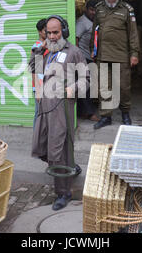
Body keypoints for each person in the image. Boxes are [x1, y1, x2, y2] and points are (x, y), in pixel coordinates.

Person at [31, 15, 89, 211]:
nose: (53, 36)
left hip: (62, 108)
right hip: (44, 108)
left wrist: (73, 88)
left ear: (63, 31)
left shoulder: (74, 52)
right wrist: (37, 54)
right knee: (44, 146)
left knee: (59, 148)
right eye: (49, 33)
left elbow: (86, 79)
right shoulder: (46, 51)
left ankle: (63, 193)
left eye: (56, 32)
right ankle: (71, 166)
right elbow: (35, 70)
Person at [90, 0, 141, 129]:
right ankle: (106, 116)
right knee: (104, 87)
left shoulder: (126, 10)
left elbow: (133, 33)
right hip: (103, 55)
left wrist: (134, 53)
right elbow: (95, 31)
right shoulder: (99, 9)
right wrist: (93, 50)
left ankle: (125, 113)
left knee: (124, 87)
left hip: (121, 56)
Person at [76, 0, 99, 121]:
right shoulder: (82, 22)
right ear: (86, 9)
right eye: (91, 10)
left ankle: (83, 112)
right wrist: (78, 58)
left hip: (90, 58)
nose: (93, 12)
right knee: (86, 87)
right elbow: (76, 39)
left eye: (95, 10)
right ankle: (89, 113)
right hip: (82, 58)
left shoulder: (93, 22)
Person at [29, 19, 48, 126]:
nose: (49, 33)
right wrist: (37, 90)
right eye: (46, 31)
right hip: (40, 87)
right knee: (39, 113)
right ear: (40, 32)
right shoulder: (38, 47)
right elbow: (35, 70)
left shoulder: (46, 45)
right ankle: (36, 137)